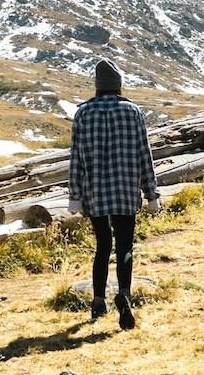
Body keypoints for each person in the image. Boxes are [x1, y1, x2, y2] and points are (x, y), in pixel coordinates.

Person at [68, 58, 161, 329]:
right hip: (126, 189)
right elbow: (145, 155)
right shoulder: (132, 112)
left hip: (95, 192)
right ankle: (124, 293)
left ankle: (98, 300)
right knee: (124, 246)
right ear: (118, 86)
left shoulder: (83, 114)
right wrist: (151, 193)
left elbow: (76, 160)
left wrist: (75, 195)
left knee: (102, 246)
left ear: (97, 87)